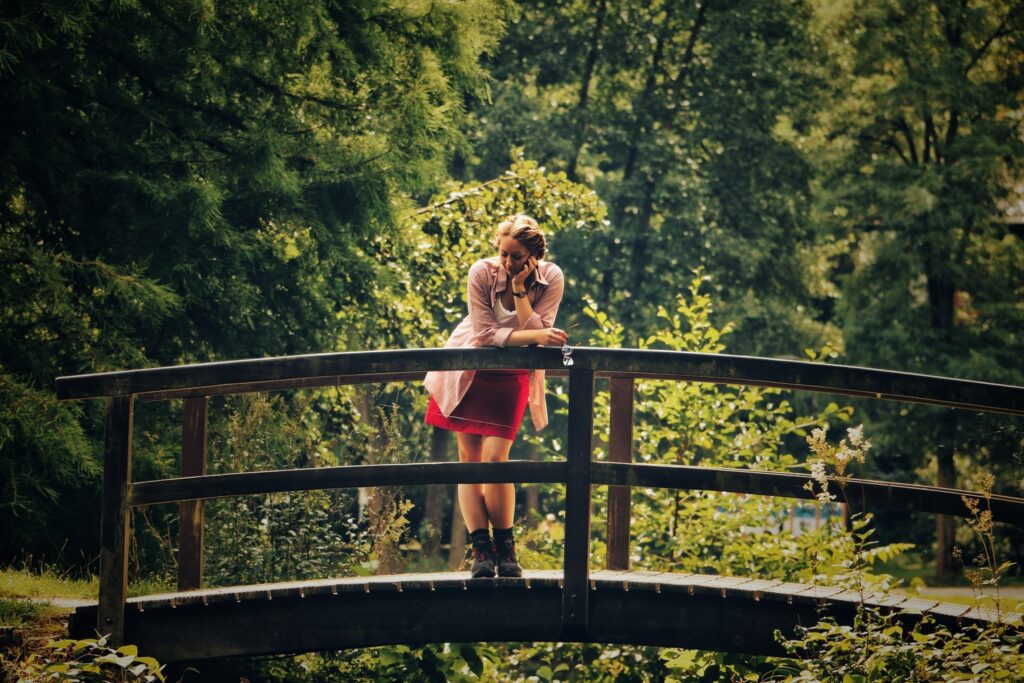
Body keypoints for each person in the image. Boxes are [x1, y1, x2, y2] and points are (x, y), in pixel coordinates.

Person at [423, 214, 568, 578]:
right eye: (503, 253)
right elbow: (487, 334)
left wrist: (520, 291)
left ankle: (507, 549)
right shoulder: (481, 273)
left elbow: (538, 329)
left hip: (511, 376)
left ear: (534, 255)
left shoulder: (550, 278)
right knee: (469, 460)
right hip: (470, 367)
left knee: (495, 459)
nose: (507, 262)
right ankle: (481, 552)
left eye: (516, 256)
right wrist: (530, 337)